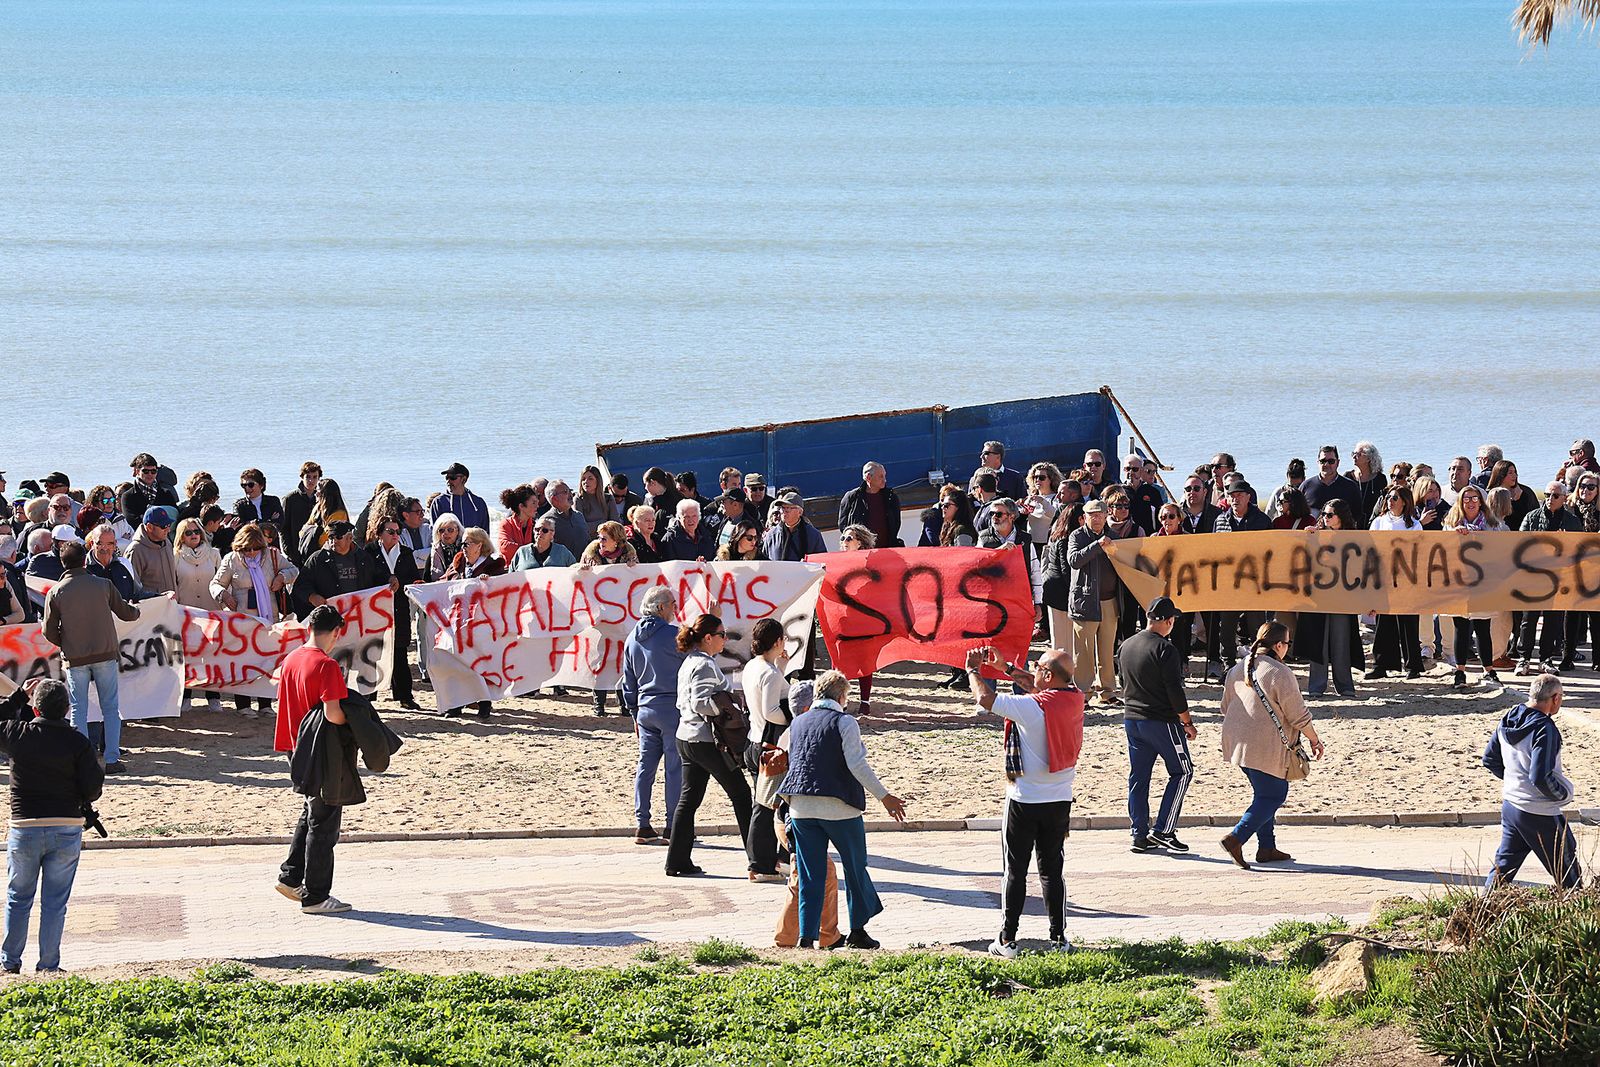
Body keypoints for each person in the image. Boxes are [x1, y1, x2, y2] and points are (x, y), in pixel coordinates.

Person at [963, 645, 1082, 956]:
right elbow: (1039, 684)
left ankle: (1007, 939)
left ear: (1047, 674)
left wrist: (973, 670)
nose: (1034, 671)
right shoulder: (1074, 698)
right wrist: (1006, 667)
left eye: (1038, 667)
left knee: (1015, 871)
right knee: (1051, 870)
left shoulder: (1031, 708)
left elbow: (985, 699)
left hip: (1024, 799)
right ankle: (1058, 939)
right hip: (1059, 800)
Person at [777, 669, 906, 949]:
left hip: (800, 806)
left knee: (811, 874)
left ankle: (807, 936)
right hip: (839, 807)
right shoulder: (845, 721)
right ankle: (857, 931)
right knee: (855, 868)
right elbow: (856, 764)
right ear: (842, 696)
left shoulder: (798, 722)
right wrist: (884, 797)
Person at [0, 679, 103, 974]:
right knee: (55, 903)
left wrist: (18, 696)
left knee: (18, 898)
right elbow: (93, 788)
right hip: (65, 826)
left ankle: (9, 962)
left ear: (35, 708)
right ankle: (48, 965)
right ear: (68, 709)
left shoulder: (18, 734)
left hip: (24, 825)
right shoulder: (78, 742)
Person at [1218, 622, 1325, 869]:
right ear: (1279, 645)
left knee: (1263, 794)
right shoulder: (1279, 672)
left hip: (1237, 742)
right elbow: (1298, 714)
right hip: (1264, 744)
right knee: (1275, 794)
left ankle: (1266, 847)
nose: (1287, 647)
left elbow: (1225, 707)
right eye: (1287, 643)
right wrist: (1315, 739)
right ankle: (1236, 838)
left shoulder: (1238, 668)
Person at [272, 605, 356, 914]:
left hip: (293, 746)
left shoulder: (291, 658)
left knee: (311, 813)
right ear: (336, 633)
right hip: (319, 749)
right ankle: (317, 896)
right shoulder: (327, 665)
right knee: (325, 821)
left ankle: (292, 876)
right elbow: (333, 714)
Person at [665, 614, 758, 878]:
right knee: (740, 794)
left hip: (687, 736)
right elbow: (700, 702)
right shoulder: (704, 665)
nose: (725, 639)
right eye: (721, 634)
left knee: (689, 799)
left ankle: (677, 860)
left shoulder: (691, 661)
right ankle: (758, 858)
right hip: (704, 739)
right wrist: (728, 706)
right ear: (708, 638)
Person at [41, 541, 140, 773]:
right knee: (110, 707)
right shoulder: (103, 585)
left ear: (62, 563)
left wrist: (66, 643)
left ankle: (83, 761)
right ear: (85, 560)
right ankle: (112, 759)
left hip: (75, 658)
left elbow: (48, 630)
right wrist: (138, 611)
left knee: (78, 709)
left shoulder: (56, 592)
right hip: (105, 653)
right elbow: (126, 613)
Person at [1482, 673, 1581, 889]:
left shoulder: (1508, 718)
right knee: (1568, 872)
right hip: (1539, 811)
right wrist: (1563, 795)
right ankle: (1580, 917)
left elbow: (1489, 759)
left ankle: (1482, 912)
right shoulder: (1545, 728)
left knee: (1503, 867)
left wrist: (1513, 780)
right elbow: (1540, 777)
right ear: (1555, 698)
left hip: (1511, 805)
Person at [1117, 597, 1196, 855]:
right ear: (1168, 621)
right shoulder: (1166, 649)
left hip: (1133, 719)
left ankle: (1138, 834)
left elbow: (1123, 682)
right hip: (1161, 721)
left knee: (1139, 777)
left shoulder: (1127, 645)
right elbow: (1175, 690)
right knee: (1183, 772)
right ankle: (1164, 830)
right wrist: (1187, 721)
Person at [621, 587, 685, 845]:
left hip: (646, 709)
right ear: (660, 607)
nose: (675, 608)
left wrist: (635, 712)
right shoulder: (674, 635)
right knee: (674, 768)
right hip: (671, 706)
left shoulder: (632, 638)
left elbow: (628, 681)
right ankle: (672, 825)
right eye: (672, 604)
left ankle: (643, 824)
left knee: (645, 766)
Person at [742, 618, 792, 881]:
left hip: (753, 740)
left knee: (762, 803)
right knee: (767, 806)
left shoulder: (754, 666)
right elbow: (771, 711)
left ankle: (763, 862)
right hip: (768, 745)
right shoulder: (769, 673)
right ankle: (760, 865)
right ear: (777, 641)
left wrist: (780, 667)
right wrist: (795, 716)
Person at [1516, 481, 1582, 676]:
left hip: (1560, 578)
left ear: (1563, 498)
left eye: (1554, 496)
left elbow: (1579, 551)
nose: (1549, 500)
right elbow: (1519, 546)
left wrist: (1566, 542)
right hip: (1534, 577)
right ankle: (1524, 657)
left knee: (1553, 620)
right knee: (1529, 619)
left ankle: (1546, 658)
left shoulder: (1571, 521)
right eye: (1546, 495)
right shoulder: (1532, 517)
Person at [1443, 485, 1505, 688]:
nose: (1470, 502)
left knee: (1483, 627)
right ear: (1460, 502)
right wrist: (1454, 534)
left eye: (1474, 498)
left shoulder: (1491, 523)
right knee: (1461, 627)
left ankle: (1488, 669)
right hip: (1459, 581)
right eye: (1466, 498)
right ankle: (1460, 672)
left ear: (1481, 501)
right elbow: (1442, 547)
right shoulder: (1451, 522)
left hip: (1483, 582)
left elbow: (1498, 549)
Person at [1298, 498, 1360, 698]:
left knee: (1341, 641)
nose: (1325, 518)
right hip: (1318, 597)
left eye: (1330, 515)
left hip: (1343, 597)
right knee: (1318, 641)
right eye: (1323, 514)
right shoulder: (1315, 535)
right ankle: (1316, 686)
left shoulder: (1354, 539)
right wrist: (1307, 538)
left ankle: (1344, 685)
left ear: (1341, 517)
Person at [1207, 482, 1270, 675]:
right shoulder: (1220, 520)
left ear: (1248, 497)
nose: (1235, 499)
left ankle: (1259, 663)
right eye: (1231, 495)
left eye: (1239, 495)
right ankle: (1228, 665)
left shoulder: (1262, 520)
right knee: (1226, 626)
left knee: (1256, 626)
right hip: (1228, 584)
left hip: (1254, 583)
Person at [365, 516, 422, 710]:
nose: (395, 535)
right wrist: (386, 580)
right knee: (373, 652)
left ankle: (405, 696)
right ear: (380, 533)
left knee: (400, 652)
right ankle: (369, 697)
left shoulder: (406, 553)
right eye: (390, 532)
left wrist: (405, 583)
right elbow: (367, 580)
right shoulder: (370, 552)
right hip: (376, 610)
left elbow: (414, 578)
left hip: (399, 608)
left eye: (398, 532)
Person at [1066, 500, 1120, 705]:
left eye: (1100, 514)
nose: (1096, 518)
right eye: (1092, 514)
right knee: (1084, 651)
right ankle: (1083, 693)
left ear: (1107, 515)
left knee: (1106, 650)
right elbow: (1074, 560)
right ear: (1084, 516)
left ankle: (1107, 692)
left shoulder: (1114, 537)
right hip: (1084, 601)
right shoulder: (1077, 536)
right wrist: (1097, 546)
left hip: (1109, 600)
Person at [1369, 485, 1424, 680]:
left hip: (1407, 579)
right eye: (1389, 497)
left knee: (1409, 623)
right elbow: (1371, 547)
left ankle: (1413, 666)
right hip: (1385, 578)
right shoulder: (1379, 521)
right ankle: (1381, 664)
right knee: (1384, 622)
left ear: (1404, 502)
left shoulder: (1414, 525)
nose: (1390, 501)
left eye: (1394, 498)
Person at [172, 517, 224, 710]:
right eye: (188, 532)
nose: (193, 535)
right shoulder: (175, 556)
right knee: (187, 655)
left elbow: (222, 581)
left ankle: (213, 696)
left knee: (211, 655)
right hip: (186, 613)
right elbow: (174, 584)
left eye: (196, 531)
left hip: (211, 612)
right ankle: (186, 696)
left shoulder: (214, 554)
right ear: (181, 536)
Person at [296, 521, 379, 616]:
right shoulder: (317, 559)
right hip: (330, 617)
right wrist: (312, 596)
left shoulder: (364, 558)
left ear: (350, 538)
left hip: (359, 615)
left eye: (338, 537)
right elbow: (300, 584)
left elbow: (377, 578)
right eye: (331, 537)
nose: (334, 541)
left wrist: (389, 579)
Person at [837, 462, 903, 549]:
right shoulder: (852, 498)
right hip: (861, 552)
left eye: (884, 476)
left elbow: (896, 523)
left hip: (887, 550)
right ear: (868, 477)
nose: (885, 480)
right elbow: (843, 525)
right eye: (881, 476)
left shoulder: (891, 497)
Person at [84, 524, 147, 603]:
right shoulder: (82, 568)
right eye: (99, 543)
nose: (105, 548)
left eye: (109, 544)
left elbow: (139, 594)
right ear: (91, 544)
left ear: (115, 545)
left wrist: (162, 596)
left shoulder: (125, 564)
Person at [125, 507, 179, 595]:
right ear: (149, 527)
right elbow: (132, 587)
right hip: (152, 606)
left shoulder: (167, 543)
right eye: (163, 526)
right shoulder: (135, 550)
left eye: (169, 525)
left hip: (172, 604)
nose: (168, 530)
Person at [1301, 445, 1361, 519]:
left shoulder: (1351, 487)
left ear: (1338, 463)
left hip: (1343, 530)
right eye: (1323, 461)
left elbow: (1358, 516)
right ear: (1318, 463)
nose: (1326, 464)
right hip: (1313, 530)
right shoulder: (1306, 486)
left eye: (1331, 461)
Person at [763, 491, 827, 561]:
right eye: (783, 508)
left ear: (800, 512)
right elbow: (764, 562)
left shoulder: (813, 535)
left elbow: (822, 562)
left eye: (788, 508)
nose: (784, 511)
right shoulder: (771, 535)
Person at [118, 453, 178, 525]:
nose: (150, 474)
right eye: (145, 471)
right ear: (137, 471)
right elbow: (132, 521)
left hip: (164, 534)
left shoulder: (166, 493)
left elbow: (175, 517)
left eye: (153, 471)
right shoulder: (128, 496)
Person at [281, 461, 323, 563]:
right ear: (302, 477)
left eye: (314, 477)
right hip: (296, 551)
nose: (311, 480)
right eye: (308, 476)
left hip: (316, 551)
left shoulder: (322, 498)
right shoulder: (290, 499)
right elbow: (283, 528)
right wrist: (289, 551)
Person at [430, 463, 489, 532]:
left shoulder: (478, 503)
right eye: (447, 478)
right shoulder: (439, 502)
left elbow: (485, 532)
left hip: (473, 542)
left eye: (452, 477)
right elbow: (434, 531)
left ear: (464, 479)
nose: (448, 481)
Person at [298, 478, 350, 556]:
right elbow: (302, 532)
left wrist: (313, 530)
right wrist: (315, 531)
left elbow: (324, 540)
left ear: (326, 494)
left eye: (318, 491)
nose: (315, 494)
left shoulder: (339, 514)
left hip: (332, 554)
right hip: (313, 552)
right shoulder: (318, 508)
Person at [544, 479, 592, 559]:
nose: (571, 494)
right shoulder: (546, 521)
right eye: (565, 492)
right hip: (563, 569)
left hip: (585, 567)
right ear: (554, 499)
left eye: (570, 490)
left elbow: (588, 541)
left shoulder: (579, 516)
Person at [509, 515, 577, 571]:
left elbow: (575, 569)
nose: (540, 533)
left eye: (544, 530)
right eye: (537, 529)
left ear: (552, 534)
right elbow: (510, 576)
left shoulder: (562, 552)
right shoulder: (522, 552)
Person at [1487, 459, 1536, 534]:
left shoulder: (1525, 492)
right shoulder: (1490, 493)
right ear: (1501, 475)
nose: (1514, 475)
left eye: (1515, 472)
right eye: (1510, 473)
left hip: (1523, 535)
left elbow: (1534, 513)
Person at [495, 485, 539, 564]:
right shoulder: (506, 524)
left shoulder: (535, 525)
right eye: (533, 503)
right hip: (510, 570)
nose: (537, 506)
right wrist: (531, 550)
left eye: (537, 502)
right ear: (521, 506)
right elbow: (505, 547)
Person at [575, 466, 610, 532]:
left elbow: (614, 525)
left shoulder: (608, 498)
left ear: (598, 480)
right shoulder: (578, 499)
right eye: (583, 479)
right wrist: (604, 523)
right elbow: (580, 527)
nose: (585, 482)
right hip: (587, 540)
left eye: (590, 479)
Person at [429, 514, 464, 579]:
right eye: (441, 530)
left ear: (457, 531)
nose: (445, 533)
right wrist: (445, 577)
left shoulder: (465, 547)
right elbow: (432, 578)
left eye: (450, 530)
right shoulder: (435, 550)